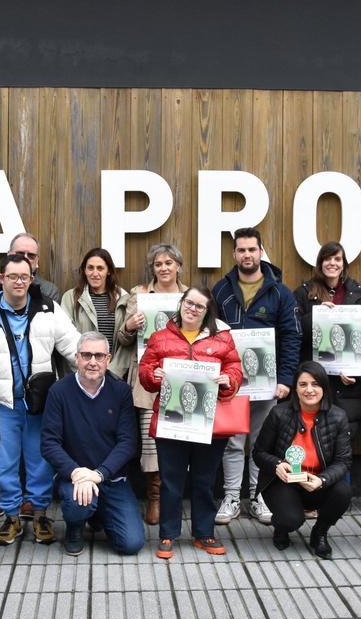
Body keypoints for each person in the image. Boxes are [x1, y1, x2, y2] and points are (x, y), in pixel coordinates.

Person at [0, 253, 80, 546]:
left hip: (40, 402)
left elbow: (74, 347)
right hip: (0, 403)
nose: (19, 282)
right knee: (4, 462)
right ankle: (10, 516)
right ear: (1, 279)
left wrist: (96, 371)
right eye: (12, 277)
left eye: (24, 277)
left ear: (32, 278)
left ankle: (39, 514)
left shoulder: (49, 309)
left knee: (40, 461)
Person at [139, 287, 242, 559]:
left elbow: (235, 368)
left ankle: (204, 533)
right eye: (189, 303)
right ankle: (167, 535)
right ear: (181, 303)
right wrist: (154, 374)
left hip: (207, 422)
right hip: (171, 421)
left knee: (205, 480)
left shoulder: (222, 337)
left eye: (199, 306)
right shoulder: (160, 337)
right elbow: (144, 372)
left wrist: (228, 380)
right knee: (170, 481)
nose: (192, 309)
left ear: (207, 312)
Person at [212, 227, 300, 526]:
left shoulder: (280, 292)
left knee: (262, 443)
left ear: (261, 251)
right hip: (231, 382)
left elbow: (291, 338)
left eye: (252, 249)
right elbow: (211, 335)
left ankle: (258, 495)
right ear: (234, 253)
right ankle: (232, 496)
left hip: (267, 384)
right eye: (241, 250)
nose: (247, 255)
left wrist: (286, 379)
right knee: (233, 441)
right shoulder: (221, 290)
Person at [41, 332, 145, 557]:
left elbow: (127, 442)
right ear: (76, 357)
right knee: (80, 503)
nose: (92, 362)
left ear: (108, 359)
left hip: (112, 478)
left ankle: (99, 514)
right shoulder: (59, 391)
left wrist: (99, 473)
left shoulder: (121, 391)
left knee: (131, 544)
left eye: (99, 356)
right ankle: (76, 527)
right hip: (75, 477)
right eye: (86, 355)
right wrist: (77, 472)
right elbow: (49, 443)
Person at [117, 242, 189, 525]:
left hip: (182, 376)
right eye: (158, 264)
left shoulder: (189, 297)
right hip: (149, 378)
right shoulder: (140, 295)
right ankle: (155, 497)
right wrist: (129, 326)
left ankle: (173, 497)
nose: (163, 268)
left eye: (169, 263)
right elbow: (122, 340)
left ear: (178, 266)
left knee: (179, 438)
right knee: (150, 440)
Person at [252, 361, 352, 559]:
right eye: (303, 384)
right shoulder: (278, 413)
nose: (309, 390)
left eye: (315, 384)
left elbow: (343, 461)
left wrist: (322, 480)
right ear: (295, 388)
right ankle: (281, 527)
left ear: (324, 387)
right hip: (283, 483)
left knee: (343, 491)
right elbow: (258, 453)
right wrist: (276, 465)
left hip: (316, 482)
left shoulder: (338, 416)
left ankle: (320, 532)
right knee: (291, 520)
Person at [292, 240, 361, 436]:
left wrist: (358, 372)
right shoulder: (303, 292)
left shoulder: (358, 294)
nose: (332, 263)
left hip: (345, 383)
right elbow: (293, 333)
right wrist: (316, 317)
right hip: (314, 377)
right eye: (327, 259)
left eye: (337, 259)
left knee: (343, 439)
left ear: (344, 263)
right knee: (311, 435)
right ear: (320, 263)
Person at [60, 248, 132, 381]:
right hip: (81, 374)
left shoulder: (123, 298)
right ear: (84, 270)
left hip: (114, 376)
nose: (95, 273)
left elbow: (127, 344)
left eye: (100, 268)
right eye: (90, 268)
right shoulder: (70, 298)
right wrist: (85, 366)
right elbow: (65, 337)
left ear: (108, 271)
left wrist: (113, 371)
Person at [0, 231, 62, 302]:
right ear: (9, 255)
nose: (25, 259)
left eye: (31, 255)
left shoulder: (49, 291)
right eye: (19, 254)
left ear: (37, 260)